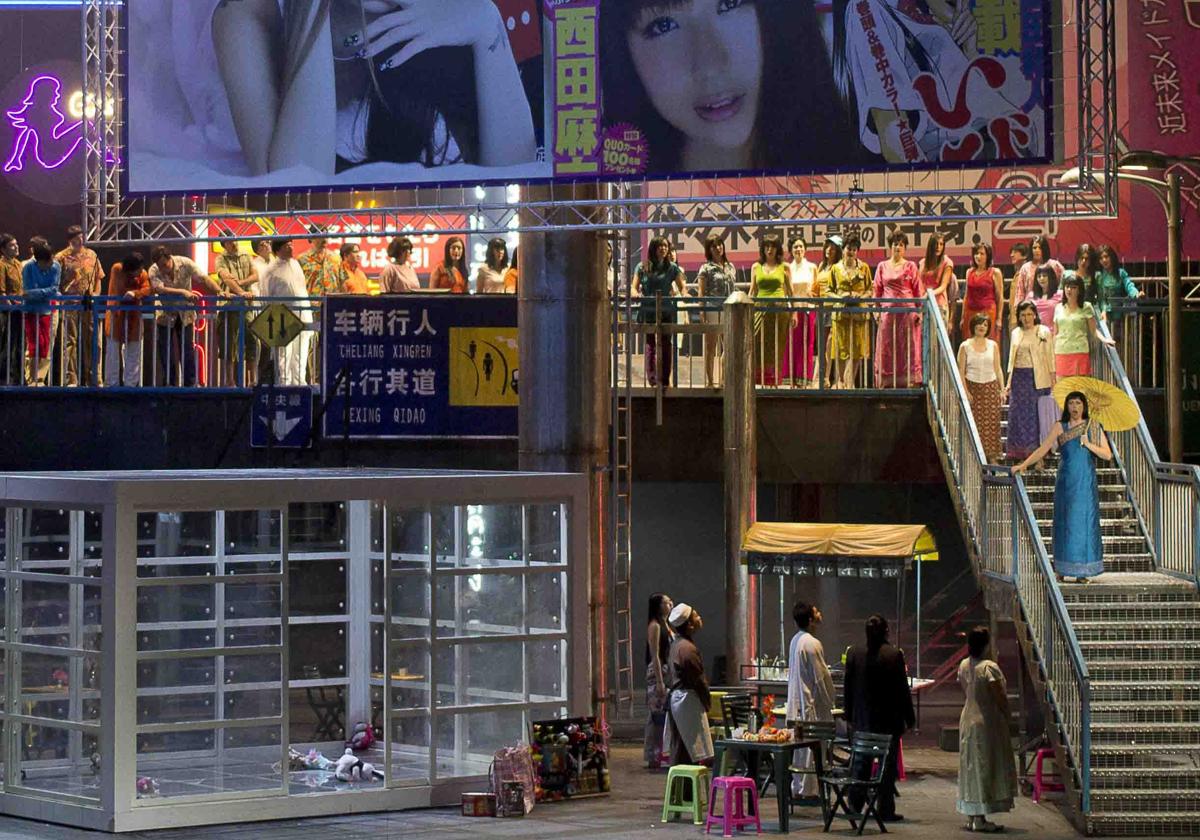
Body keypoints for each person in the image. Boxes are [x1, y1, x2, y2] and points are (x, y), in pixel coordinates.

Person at [207, 0, 536, 178]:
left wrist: (485, 21)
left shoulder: (455, 10)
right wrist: (310, 10)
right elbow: (295, 183)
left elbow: (518, 185)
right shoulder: (248, 14)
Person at [599, 0, 857, 175]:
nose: (711, 63)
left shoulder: (864, 145)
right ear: (622, 51)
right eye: (663, 25)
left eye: (730, 3)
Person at [1014, 391, 1112, 581]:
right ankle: (1062, 568)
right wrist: (1024, 464)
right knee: (1064, 523)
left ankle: (1083, 572)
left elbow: (1107, 455)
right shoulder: (1060, 426)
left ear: (1084, 406)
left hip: (1085, 483)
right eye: (1071, 403)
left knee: (1084, 523)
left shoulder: (1093, 427)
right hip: (1066, 482)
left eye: (1078, 403)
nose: (1075, 407)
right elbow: (1043, 448)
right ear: (1066, 407)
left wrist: (1088, 444)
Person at [843, 614, 914, 822]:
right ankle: (885, 808)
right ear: (886, 632)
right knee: (887, 767)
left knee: (860, 763)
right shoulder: (893, 655)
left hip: (862, 720)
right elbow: (902, 690)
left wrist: (849, 714)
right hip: (888, 722)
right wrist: (909, 718)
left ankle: (855, 804)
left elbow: (848, 688)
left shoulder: (854, 653)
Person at [956, 626, 1017, 832]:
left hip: (967, 718)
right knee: (984, 766)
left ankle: (973, 814)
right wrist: (1008, 716)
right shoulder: (988, 667)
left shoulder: (964, 665)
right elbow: (999, 695)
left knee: (971, 766)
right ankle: (980, 817)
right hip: (986, 720)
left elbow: (965, 689)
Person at [149, 245, 218, 387]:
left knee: (187, 350)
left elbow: (203, 278)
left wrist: (219, 291)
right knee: (166, 353)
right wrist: (182, 292)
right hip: (165, 313)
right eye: (160, 265)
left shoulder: (185, 263)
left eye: (165, 264)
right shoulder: (154, 270)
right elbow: (159, 289)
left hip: (185, 313)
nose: (163, 268)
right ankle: (169, 385)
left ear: (170, 258)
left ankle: (190, 385)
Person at [786, 601, 835, 798]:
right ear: (810, 619)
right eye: (816, 611)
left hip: (798, 703)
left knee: (800, 751)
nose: (819, 613)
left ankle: (799, 787)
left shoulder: (795, 640)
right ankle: (810, 790)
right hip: (810, 705)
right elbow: (821, 677)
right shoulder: (812, 643)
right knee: (812, 749)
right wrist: (831, 700)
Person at [1003, 301, 1056, 462]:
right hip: (1019, 378)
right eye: (1023, 315)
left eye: (1029, 314)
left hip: (1037, 378)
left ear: (1035, 315)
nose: (1026, 318)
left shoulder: (1043, 331)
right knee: (1017, 414)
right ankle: (1018, 453)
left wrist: (1053, 380)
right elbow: (1011, 359)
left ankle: (1038, 456)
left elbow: (1050, 357)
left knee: (1035, 416)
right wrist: (1008, 383)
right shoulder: (1016, 332)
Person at [258, 239, 315, 386]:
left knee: (300, 353)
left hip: (303, 314)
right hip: (281, 317)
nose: (291, 248)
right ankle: (283, 384)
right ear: (278, 250)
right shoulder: (270, 271)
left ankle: (299, 382)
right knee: (283, 354)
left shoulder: (295, 264)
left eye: (291, 245)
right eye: (287, 246)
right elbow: (265, 296)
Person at [663, 603, 713, 767]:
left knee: (682, 746)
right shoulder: (687, 649)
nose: (700, 617)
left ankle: (682, 787)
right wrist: (706, 700)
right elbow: (697, 679)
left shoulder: (678, 644)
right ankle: (685, 788)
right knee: (688, 748)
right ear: (690, 625)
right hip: (687, 701)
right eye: (696, 615)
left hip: (681, 699)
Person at [55, 225, 105, 387]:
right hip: (70, 304)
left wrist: (96, 294)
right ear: (70, 240)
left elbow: (98, 277)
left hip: (90, 304)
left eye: (82, 237)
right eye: (77, 238)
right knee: (70, 341)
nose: (81, 241)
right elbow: (56, 282)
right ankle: (72, 379)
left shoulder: (92, 254)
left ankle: (94, 377)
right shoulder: (61, 257)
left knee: (93, 340)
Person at [632, 236, 683, 388]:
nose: (663, 249)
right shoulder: (643, 266)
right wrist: (635, 293)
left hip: (666, 309)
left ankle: (665, 380)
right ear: (654, 248)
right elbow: (634, 286)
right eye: (660, 246)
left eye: (666, 246)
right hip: (648, 309)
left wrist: (685, 293)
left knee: (667, 343)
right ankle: (653, 380)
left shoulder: (672, 267)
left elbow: (682, 287)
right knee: (650, 344)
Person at [874, 231, 923, 388]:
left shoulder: (911, 266)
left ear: (905, 248)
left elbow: (918, 291)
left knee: (909, 347)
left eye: (901, 244)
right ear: (890, 246)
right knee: (887, 347)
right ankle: (887, 382)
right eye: (895, 244)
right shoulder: (882, 266)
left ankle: (910, 381)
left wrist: (919, 312)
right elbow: (876, 291)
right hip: (888, 313)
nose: (898, 247)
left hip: (908, 313)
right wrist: (876, 312)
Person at [696, 233, 739, 388]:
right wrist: (702, 311)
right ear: (709, 249)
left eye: (720, 244)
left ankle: (723, 379)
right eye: (714, 246)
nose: (718, 248)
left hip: (729, 309)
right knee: (711, 346)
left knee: (729, 346)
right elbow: (701, 292)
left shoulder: (730, 266)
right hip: (712, 308)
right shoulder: (705, 268)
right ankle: (709, 381)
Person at [214, 237, 259, 387]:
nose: (234, 243)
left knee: (251, 339)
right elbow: (227, 279)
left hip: (246, 305)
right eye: (229, 241)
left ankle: (252, 380)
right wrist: (241, 292)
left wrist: (241, 284)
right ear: (224, 244)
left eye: (234, 239)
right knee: (229, 343)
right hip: (229, 305)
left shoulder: (246, 256)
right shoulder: (220, 259)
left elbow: (255, 276)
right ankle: (230, 381)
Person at [958, 313, 1003, 462]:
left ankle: (992, 458)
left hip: (990, 388)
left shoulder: (993, 345)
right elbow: (961, 372)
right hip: (972, 387)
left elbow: (998, 369)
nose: (982, 327)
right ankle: (975, 457)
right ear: (973, 326)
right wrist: (966, 391)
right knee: (974, 424)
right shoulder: (965, 346)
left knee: (991, 424)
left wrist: (1002, 389)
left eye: (985, 324)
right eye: (979, 323)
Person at [750, 234, 793, 386]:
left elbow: (790, 293)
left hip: (779, 311)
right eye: (767, 246)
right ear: (763, 249)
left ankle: (775, 381)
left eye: (773, 246)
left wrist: (793, 313)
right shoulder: (756, 267)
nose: (770, 250)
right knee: (757, 344)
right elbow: (752, 291)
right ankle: (757, 380)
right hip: (760, 310)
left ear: (778, 249)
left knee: (777, 345)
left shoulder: (785, 267)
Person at [103, 252, 152, 387]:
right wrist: (133, 291)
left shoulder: (143, 274)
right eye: (138, 269)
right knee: (113, 352)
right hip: (116, 315)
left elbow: (147, 289)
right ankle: (112, 384)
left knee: (133, 352)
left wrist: (135, 293)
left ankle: (130, 384)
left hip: (134, 317)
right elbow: (118, 290)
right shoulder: (117, 269)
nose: (141, 271)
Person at [829, 234, 872, 388]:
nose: (851, 252)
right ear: (843, 249)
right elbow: (828, 291)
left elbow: (869, 290)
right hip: (841, 314)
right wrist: (841, 297)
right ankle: (840, 381)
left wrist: (859, 296)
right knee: (840, 348)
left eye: (854, 249)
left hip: (859, 314)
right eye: (849, 249)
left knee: (857, 349)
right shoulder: (835, 269)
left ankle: (851, 381)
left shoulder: (864, 268)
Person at [1053, 276, 1114, 377]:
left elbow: (1094, 331)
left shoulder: (1086, 307)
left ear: (1079, 290)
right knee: (1063, 388)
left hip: (1079, 351)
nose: (1069, 290)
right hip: (1061, 351)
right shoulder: (1058, 307)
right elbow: (1055, 333)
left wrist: (1104, 340)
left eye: (1073, 287)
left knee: (1080, 387)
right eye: (1067, 286)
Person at [21, 237, 60, 386]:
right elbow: (26, 291)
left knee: (46, 343)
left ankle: (40, 378)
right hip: (32, 309)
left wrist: (38, 292)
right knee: (33, 343)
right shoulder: (27, 266)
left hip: (50, 308)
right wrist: (44, 292)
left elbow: (54, 289)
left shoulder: (55, 265)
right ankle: (31, 378)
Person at [644, 593, 675, 771]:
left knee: (663, 716)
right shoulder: (655, 626)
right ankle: (653, 755)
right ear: (658, 606)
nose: (670, 604)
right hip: (658, 671)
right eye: (666, 602)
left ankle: (662, 752)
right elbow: (655, 655)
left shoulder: (667, 625)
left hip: (667, 670)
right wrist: (660, 681)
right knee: (656, 716)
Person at [1010, 235, 1065, 328]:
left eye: (1040, 247)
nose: (1037, 250)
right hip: (1031, 311)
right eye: (1034, 247)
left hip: (1052, 309)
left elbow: (1064, 284)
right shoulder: (1025, 268)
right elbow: (1020, 292)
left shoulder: (1055, 265)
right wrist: (1018, 313)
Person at [787, 236, 818, 387]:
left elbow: (816, 289)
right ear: (791, 250)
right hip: (793, 310)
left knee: (808, 344)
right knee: (793, 344)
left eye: (800, 246)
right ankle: (792, 379)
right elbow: (787, 292)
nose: (798, 249)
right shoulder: (788, 268)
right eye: (795, 247)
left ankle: (805, 379)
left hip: (808, 309)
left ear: (805, 249)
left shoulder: (812, 267)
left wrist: (812, 295)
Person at [1096, 245, 1142, 334]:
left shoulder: (1121, 273)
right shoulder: (1098, 276)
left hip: (1119, 315)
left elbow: (1129, 286)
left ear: (1112, 257)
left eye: (1106, 256)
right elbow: (1100, 297)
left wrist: (1137, 294)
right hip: (1103, 315)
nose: (1104, 260)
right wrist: (1103, 311)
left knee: (1118, 342)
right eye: (1101, 258)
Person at [962, 244, 1002, 342]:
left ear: (988, 256)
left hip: (988, 312)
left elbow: (999, 297)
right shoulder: (969, 272)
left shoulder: (995, 272)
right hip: (970, 312)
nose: (978, 256)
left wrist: (999, 319)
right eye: (976, 253)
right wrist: (963, 317)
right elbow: (966, 296)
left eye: (982, 254)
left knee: (989, 343)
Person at [0, 233, 23, 385]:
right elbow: (1, 291)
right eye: (12, 245)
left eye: (16, 244)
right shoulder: (1, 265)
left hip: (20, 310)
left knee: (18, 345)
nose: (16, 247)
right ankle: (4, 379)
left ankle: (17, 377)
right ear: (3, 249)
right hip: (6, 311)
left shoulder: (18, 264)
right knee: (6, 344)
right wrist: (10, 307)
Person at [919, 233, 954, 324]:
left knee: (937, 336)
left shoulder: (947, 263)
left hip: (939, 305)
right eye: (936, 244)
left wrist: (929, 294)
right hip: (923, 304)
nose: (938, 247)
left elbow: (943, 286)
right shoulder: (922, 262)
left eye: (941, 244)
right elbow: (919, 283)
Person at [1027, 264, 1062, 335]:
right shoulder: (1031, 296)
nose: (1041, 278)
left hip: (1054, 334)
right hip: (1035, 334)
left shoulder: (1060, 294)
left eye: (1044, 276)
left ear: (1051, 277)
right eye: (1039, 276)